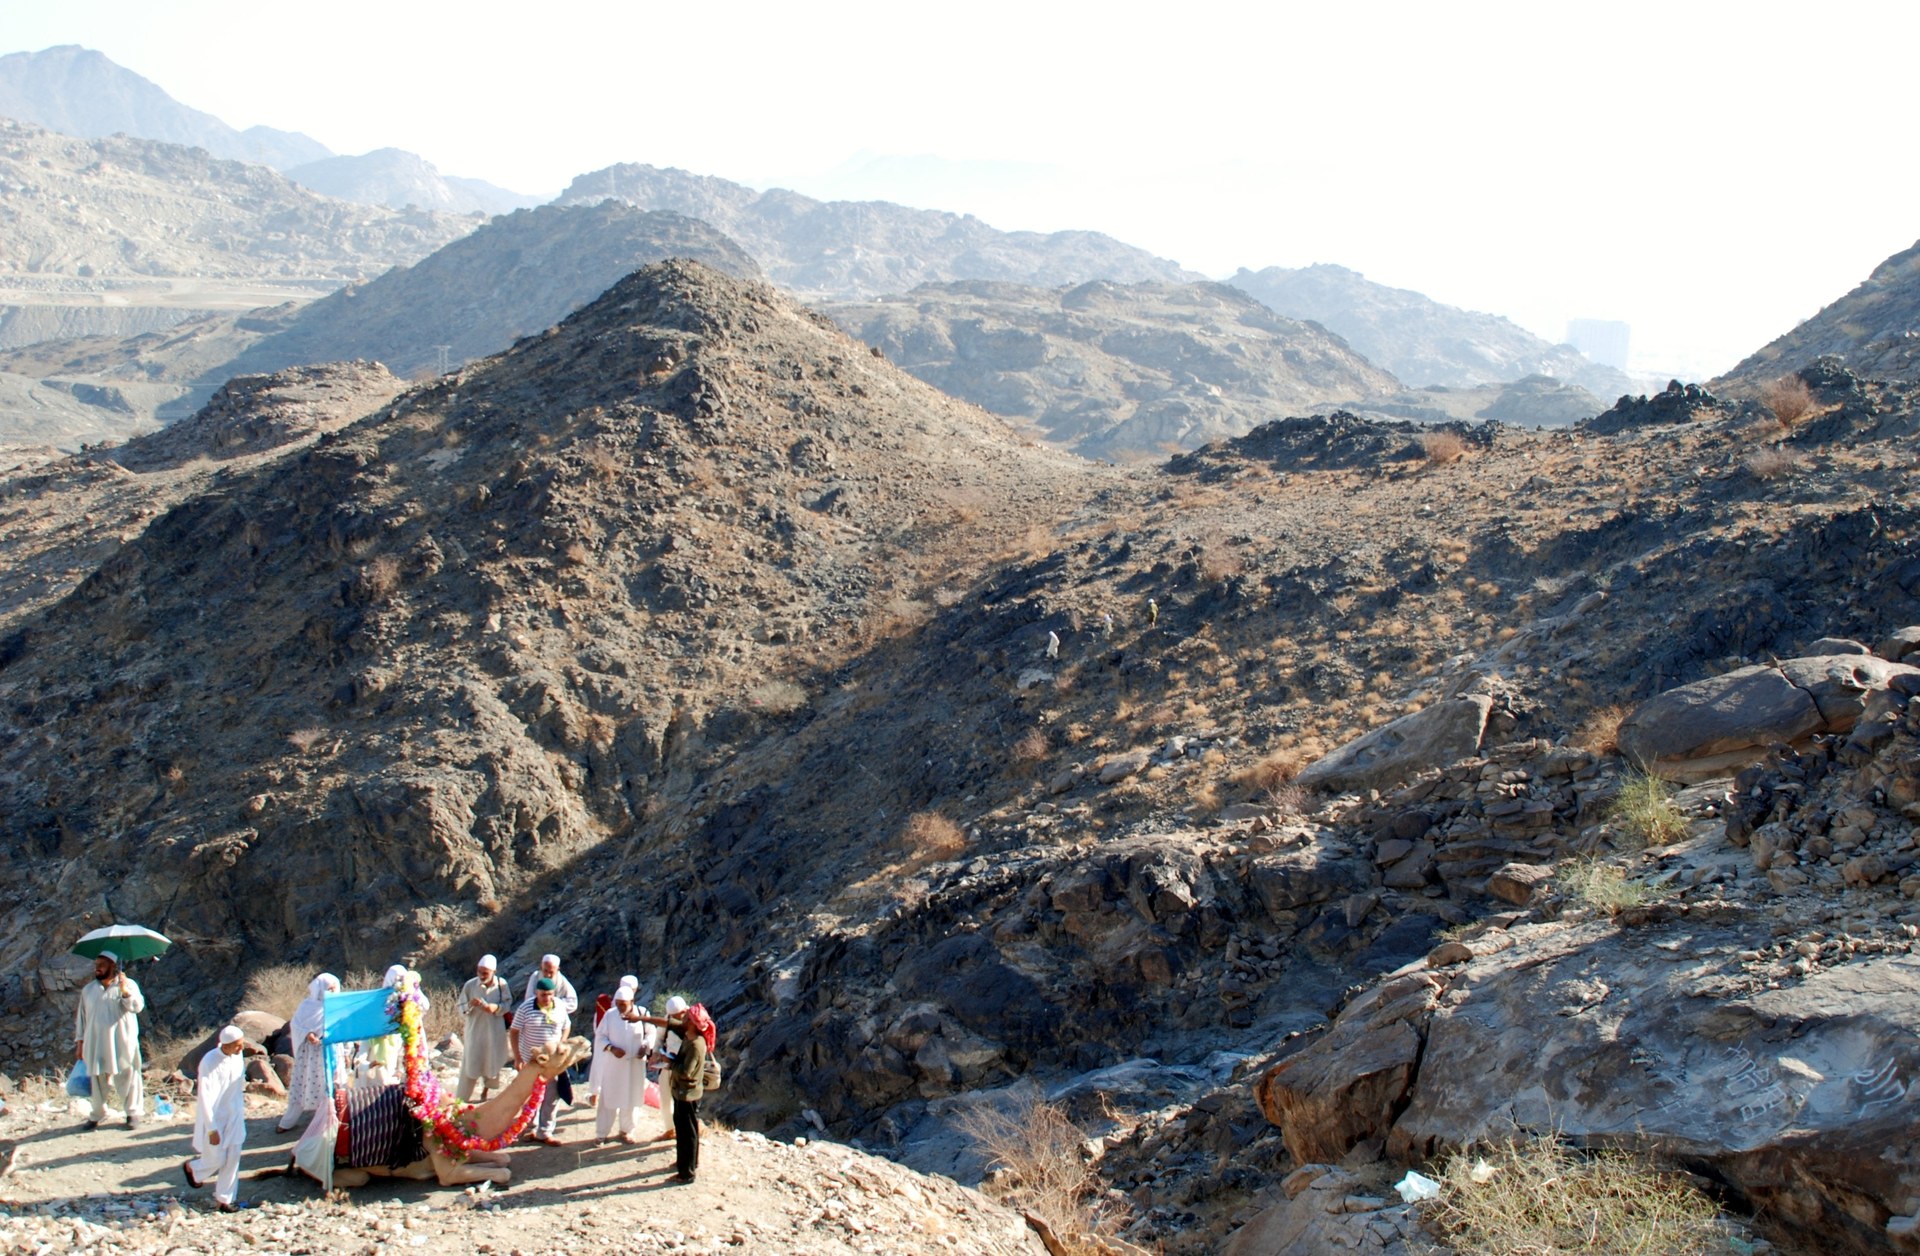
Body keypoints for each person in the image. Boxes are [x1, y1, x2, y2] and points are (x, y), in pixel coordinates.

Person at [638, 1003, 712, 1183]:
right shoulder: (691, 1035)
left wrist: (669, 1063)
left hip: (687, 1093)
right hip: (685, 1092)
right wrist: (642, 1018)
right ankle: (688, 1163)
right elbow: (669, 1023)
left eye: (687, 1018)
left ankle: (686, 1173)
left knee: (686, 1131)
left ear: (693, 1023)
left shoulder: (695, 1044)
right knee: (687, 1129)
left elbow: (686, 1071)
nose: (683, 1019)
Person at [73, 950, 145, 1130]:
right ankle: (97, 1114)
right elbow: (82, 1019)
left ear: (113, 966)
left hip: (122, 1041)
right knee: (97, 1079)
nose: (97, 969)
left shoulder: (128, 985)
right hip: (95, 1042)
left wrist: (124, 990)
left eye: (101, 965)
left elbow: (137, 1007)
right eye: (96, 965)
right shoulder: (88, 990)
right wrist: (80, 1043)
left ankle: (132, 1113)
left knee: (128, 1076)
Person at [184, 1026, 249, 1211]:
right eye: (237, 1046)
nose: (241, 1049)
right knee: (217, 1158)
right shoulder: (209, 1061)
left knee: (233, 1157)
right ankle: (193, 1169)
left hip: (235, 1114)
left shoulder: (237, 1056)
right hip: (216, 1117)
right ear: (226, 1045)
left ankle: (225, 1200)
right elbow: (206, 1097)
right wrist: (211, 1128)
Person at [508, 977, 571, 1145]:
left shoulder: (559, 1007)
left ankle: (545, 1132)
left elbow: (566, 1025)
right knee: (529, 1095)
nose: (547, 998)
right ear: (537, 993)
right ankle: (529, 1128)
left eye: (550, 995)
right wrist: (518, 1057)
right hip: (531, 1060)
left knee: (551, 1096)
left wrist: (562, 1043)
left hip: (553, 1062)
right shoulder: (526, 1008)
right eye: (543, 995)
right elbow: (514, 1031)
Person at [278, 973, 342, 1132]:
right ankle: (288, 1121)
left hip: (331, 1050)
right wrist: (308, 1034)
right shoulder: (307, 1006)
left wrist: (346, 1052)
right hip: (311, 1054)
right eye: (329, 988)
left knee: (333, 1084)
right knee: (305, 1084)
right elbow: (296, 1025)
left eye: (334, 988)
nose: (332, 992)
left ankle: (330, 1120)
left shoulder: (337, 1005)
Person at [594, 984, 653, 1144]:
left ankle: (627, 1131)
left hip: (635, 1065)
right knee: (608, 1099)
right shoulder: (610, 1015)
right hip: (614, 1066)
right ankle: (601, 1133)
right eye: (618, 1003)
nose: (620, 1006)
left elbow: (651, 1032)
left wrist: (645, 1046)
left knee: (632, 1098)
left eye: (623, 1004)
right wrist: (611, 1048)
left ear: (632, 1001)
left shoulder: (642, 1013)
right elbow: (600, 1037)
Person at [457, 955, 514, 1102]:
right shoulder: (470, 985)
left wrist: (496, 1008)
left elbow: (507, 1004)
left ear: (493, 972)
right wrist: (470, 1005)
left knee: (491, 1061)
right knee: (471, 1062)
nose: (481, 975)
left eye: (485, 973)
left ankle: (485, 1092)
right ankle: (462, 1098)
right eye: (479, 971)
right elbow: (460, 1007)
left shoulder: (502, 984)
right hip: (475, 1030)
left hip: (495, 1031)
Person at [648, 994, 689, 1142]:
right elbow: (658, 1039)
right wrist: (655, 1054)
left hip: (686, 1067)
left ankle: (684, 1134)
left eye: (679, 1014)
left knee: (684, 1103)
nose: (678, 1017)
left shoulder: (694, 1021)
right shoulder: (666, 1022)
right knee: (665, 1100)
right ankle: (670, 1129)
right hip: (667, 1066)